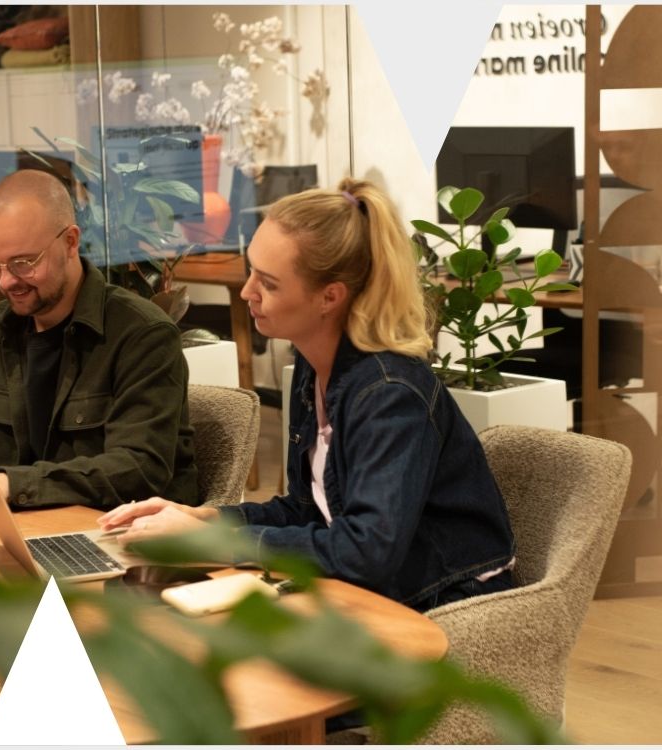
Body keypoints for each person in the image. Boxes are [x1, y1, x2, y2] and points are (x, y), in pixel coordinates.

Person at [98, 178, 516, 612]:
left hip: (452, 603)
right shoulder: (313, 367)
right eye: (251, 271)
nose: (247, 292)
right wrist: (205, 518)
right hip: (379, 586)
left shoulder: (390, 394)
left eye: (269, 283)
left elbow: (367, 551)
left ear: (329, 297)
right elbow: (307, 511)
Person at [0, 169, 201, 514]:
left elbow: (138, 468)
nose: (5, 281)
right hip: (20, 528)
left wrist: (9, 485)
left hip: (120, 531)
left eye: (23, 263)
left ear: (70, 242)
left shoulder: (142, 334)